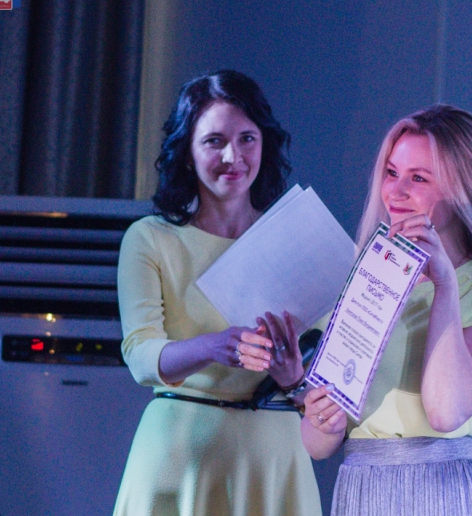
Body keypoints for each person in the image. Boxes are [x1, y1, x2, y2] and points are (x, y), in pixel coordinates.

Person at [300, 105, 472, 515]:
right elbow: (317, 445)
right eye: (391, 172)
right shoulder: (365, 280)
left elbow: (446, 412)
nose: (396, 192)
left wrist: (445, 284)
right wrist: (320, 420)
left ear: (466, 188)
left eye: (418, 178)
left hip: (443, 491)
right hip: (362, 489)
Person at [113, 70, 322, 516]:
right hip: (180, 457)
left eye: (247, 139)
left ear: (264, 146)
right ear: (187, 154)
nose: (233, 156)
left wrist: (294, 377)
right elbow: (140, 355)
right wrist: (212, 347)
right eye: (214, 141)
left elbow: (330, 377)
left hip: (275, 461)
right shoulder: (150, 238)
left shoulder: (297, 239)